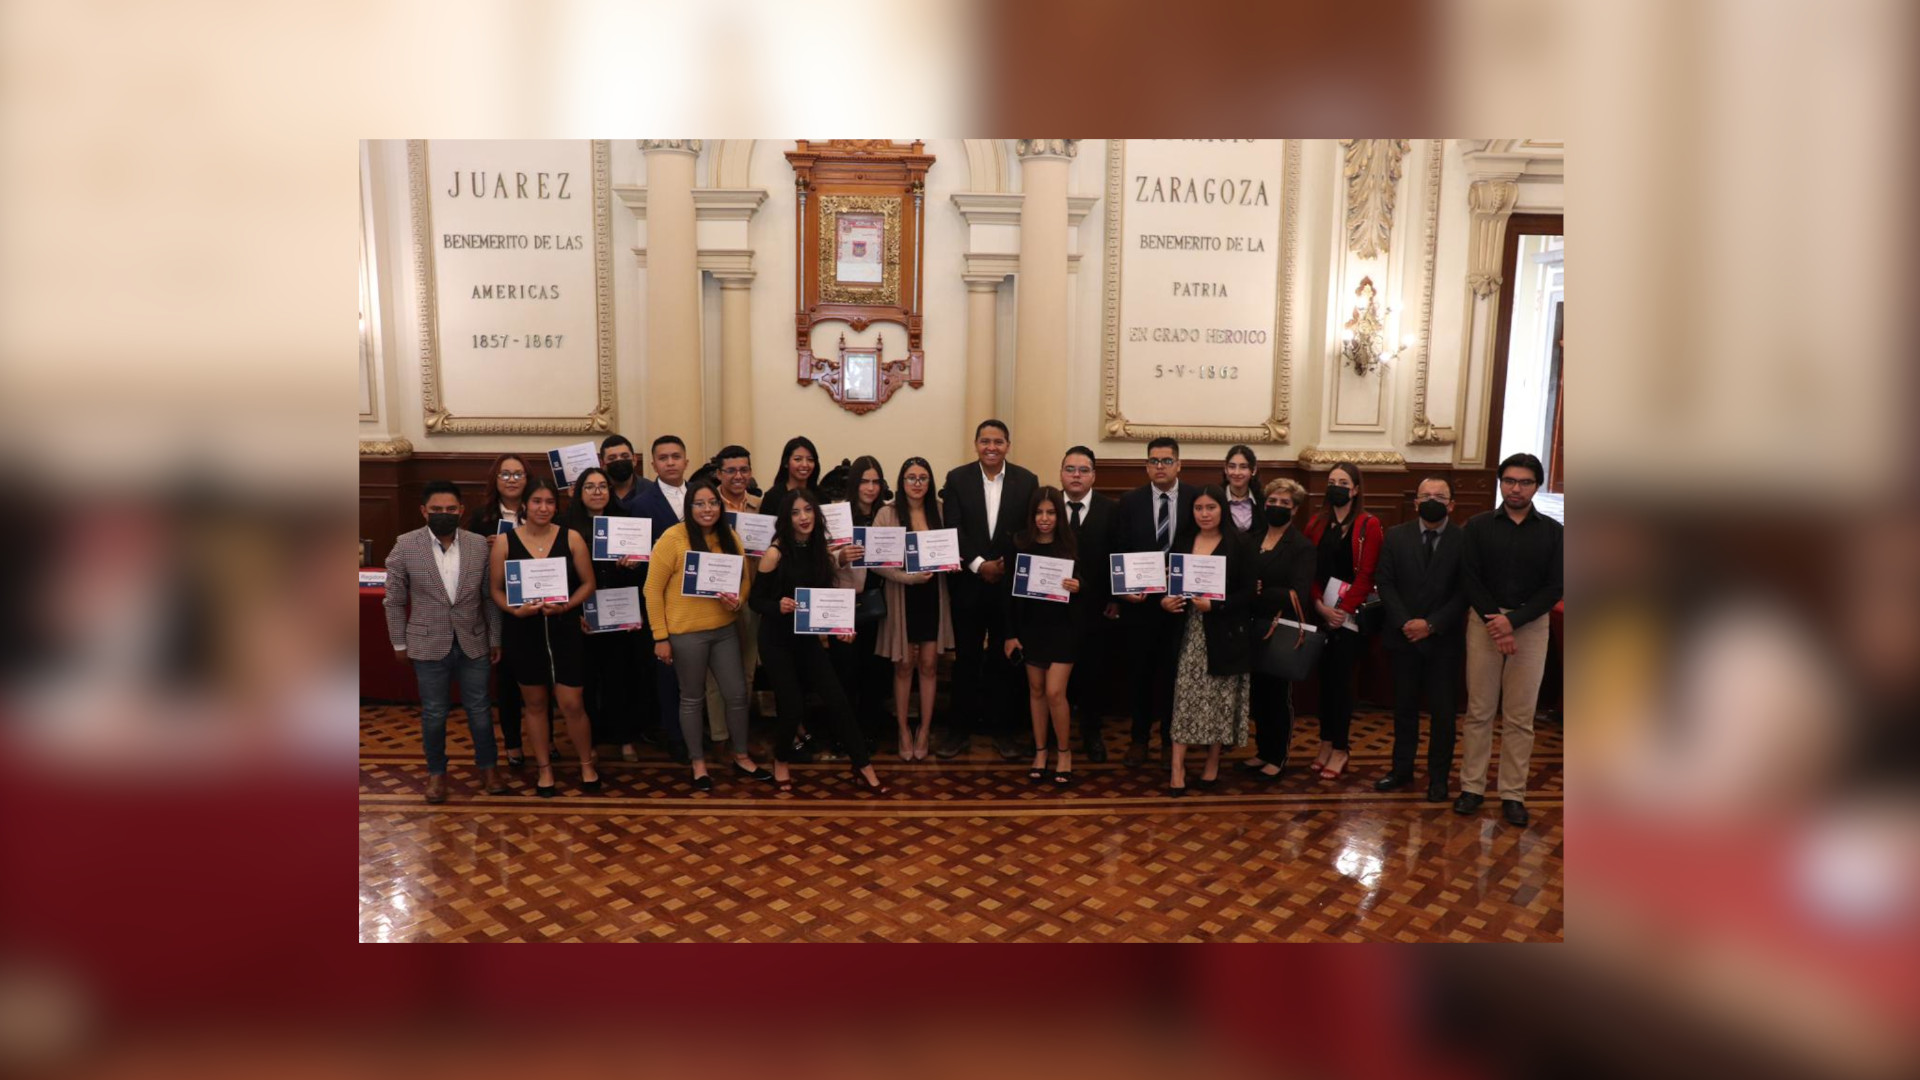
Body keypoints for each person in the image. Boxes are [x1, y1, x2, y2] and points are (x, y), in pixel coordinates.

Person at [749, 488, 889, 795]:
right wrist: (779, 605)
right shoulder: (775, 553)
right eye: (796, 512)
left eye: (808, 511)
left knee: (837, 699)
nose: (803, 518)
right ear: (787, 518)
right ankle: (781, 759)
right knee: (793, 706)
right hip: (776, 640)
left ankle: (862, 764)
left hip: (807, 639)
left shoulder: (821, 553)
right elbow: (755, 601)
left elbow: (827, 601)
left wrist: (842, 627)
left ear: (817, 514)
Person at [1457, 453, 1563, 827]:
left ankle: (1512, 793)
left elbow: (1555, 586)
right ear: (1500, 483)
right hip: (1484, 622)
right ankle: (1472, 787)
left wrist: (1513, 621)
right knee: (1480, 711)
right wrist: (1495, 622)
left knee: (1520, 716)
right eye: (1510, 481)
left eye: (1525, 482)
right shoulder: (1478, 526)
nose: (1516, 488)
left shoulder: (1554, 532)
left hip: (1530, 626)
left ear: (1537, 487)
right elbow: (1469, 578)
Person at [643, 476, 768, 792]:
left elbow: (744, 579)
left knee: (738, 694)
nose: (707, 508)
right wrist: (660, 636)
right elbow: (652, 589)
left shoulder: (729, 537)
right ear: (689, 506)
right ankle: (698, 763)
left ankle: (740, 755)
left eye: (712, 502)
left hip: (724, 629)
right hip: (686, 635)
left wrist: (738, 600)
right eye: (699, 503)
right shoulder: (673, 539)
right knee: (692, 698)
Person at [384, 480, 505, 803]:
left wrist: (495, 637)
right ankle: (436, 774)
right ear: (423, 511)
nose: (444, 514)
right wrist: (399, 643)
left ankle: (489, 768)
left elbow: (489, 598)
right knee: (434, 713)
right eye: (436, 510)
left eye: (450, 509)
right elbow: (393, 601)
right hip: (427, 644)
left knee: (480, 711)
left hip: (473, 642)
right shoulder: (405, 545)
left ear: (461, 511)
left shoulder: (479, 545)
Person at [488, 477, 600, 797]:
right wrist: (514, 611)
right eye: (537, 501)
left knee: (572, 702)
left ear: (557, 506)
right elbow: (495, 590)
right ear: (525, 505)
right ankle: (544, 770)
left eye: (550, 502)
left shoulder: (572, 538)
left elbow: (587, 584)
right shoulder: (506, 542)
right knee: (535, 704)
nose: (543, 508)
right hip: (524, 632)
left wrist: (567, 605)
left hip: (564, 629)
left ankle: (586, 764)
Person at [937, 420, 1039, 760]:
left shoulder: (1027, 481)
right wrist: (980, 565)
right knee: (965, 660)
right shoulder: (957, 478)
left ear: (1008, 445)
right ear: (976, 444)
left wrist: (1003, 566)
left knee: (1004, 660)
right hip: (969, 584)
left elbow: (1029, 530)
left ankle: (1004, 732)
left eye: (998, 441)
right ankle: (957, 733)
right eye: (985, 441)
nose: (991, 447)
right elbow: (953, 527)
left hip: (1008, 587)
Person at [1373, 476, 1469, 802]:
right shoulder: (1396, 536)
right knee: (1404, 709)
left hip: (1444, 640)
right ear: (1415, 502)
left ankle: (1438, 778)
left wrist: (1431, 625)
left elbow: (1464, 591)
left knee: (1443, 714)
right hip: (1402, 638)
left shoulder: (1464, 540)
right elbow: (1384, 583)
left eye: (1439, 496)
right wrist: (1406, 623)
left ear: (1451, 504)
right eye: (1425, 495)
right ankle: (1401, 770)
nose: (1432, 501)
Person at [1160, 486, 1254, 795]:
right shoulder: (1183, 542)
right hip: (1188, 633)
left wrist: (1216, 605)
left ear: (1221, 509)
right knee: (1183, 699)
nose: (1204, 513)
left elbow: (1248, 593)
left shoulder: (1238, 544)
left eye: (1210, 507)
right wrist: (1166, 602)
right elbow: (1168, 585)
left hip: (1223, 635)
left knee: (1219, 701)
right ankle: (1177, 769)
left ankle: (1212, 764)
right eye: (1198, 508)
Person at [1112, 436, 1198, 767]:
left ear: (1178, 464)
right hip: (1141, 604)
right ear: (1146, 465)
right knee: (1140, 674)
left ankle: (1168, 741)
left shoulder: (1195, 499)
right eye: (1153, 461)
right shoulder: (1130, 501)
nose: (1159, 467)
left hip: (1180, 604)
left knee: (1173, 675)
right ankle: (1138, 739)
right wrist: (1121, 591)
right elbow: (1118, 549)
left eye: (1165, 461)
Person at [562, 466, 653, 765]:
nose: (598, 491)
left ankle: (625, 738)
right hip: (582, 616)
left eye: (603, 486)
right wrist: (572, 614)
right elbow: (561, 576)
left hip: (621, 613)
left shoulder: (626, 522)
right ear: (579, 492)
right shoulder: (566, 528)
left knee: (620, 679)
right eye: (590, 486)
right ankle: (592, 741)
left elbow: (644, 570)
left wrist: (635, 565)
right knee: (587, 680)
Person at [1301, 461, 1384, 782]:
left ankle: (1341, 747)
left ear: (1356, 489)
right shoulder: (1317, 523)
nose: (1336, 486)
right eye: (1332, 480)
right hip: (1322, 613)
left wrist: (1342, 610)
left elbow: (1367, 574)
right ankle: (1324, 743)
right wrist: (1321, 606)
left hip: (1350, 618)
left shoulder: (1368, 525)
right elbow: (1310, 569)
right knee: (1325, 683)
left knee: (1342, 684)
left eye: (1343, 481)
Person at [1004, 486, 1085, 785]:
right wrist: (1010, 634)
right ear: (1031, 515)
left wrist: (1079, 587)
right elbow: (1008, 596)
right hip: (1030, 629)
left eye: (1051, 512)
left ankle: (1064, 752)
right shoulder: (1019, 545)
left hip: (1064, 630)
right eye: (1039, 512)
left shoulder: (1071, 545)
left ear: (1059, 515)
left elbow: (1089, 586)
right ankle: (1041, 751)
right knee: (1036, 691)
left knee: (1054, 692)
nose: (1044, 518)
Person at [873, 456, 953, 761]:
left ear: (929, 482)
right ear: (901, 482)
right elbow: (878, 564)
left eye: (922, 478)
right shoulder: (887, 513)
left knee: (930, 665)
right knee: (904, 665)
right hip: (902, 595)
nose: (917, 483)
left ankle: (925, 728)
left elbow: (950, 551)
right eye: (911, 478)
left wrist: (952, 563)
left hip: (933, 596)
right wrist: (909, 577)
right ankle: (903, 728)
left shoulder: (941, 512)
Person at [1241, 477, 1315, 781]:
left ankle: (1277, 755)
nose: (1277, 507)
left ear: (1295, 509)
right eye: (1272, 501)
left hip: (1280, 629)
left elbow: (1299, 592)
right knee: (1257, 694)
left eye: (1285, 503)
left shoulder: (1301, 546)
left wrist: (1260, 591)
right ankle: (1261, 751)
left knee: (1277, 696)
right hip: (1251, 627)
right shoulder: (1252, 538)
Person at [467, 453, 530, 766]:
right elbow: (468, 560)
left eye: (518, 474)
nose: (512, 479)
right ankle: (514, 743)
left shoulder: (540, 510)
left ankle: (544, 740)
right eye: (505, 474)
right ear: (496, 479)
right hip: (499, 604)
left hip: (536, 601)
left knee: (538, 679)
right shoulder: (482, 518)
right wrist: (485, 546)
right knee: (507, 679)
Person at [1058, 446, 1118, 763]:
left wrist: (1112, 598)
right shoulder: (1047, 506)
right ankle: (1056, 734)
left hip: (1096, 608)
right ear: (1061, 473)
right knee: (1056, 676)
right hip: (1054, 609)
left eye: (1083, 470)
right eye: (1070, 469)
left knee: (1093, 674)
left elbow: (1117, 559)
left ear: (1093, 475)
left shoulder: (1111, 510)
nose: (1076, 475)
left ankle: (1091, 733)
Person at [833, 454, 895, 755]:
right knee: (846, 671)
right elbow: (818, 558)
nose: (870, 488)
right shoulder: (837, 515)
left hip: (879, 603)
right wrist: (838, 557)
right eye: (864, 481)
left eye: (875, 482)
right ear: (855, 484)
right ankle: (845, 732)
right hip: (843, 602)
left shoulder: (890, 515)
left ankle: (870, 730)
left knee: (874, 670)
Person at [765, 435, 821, 516]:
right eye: (798, 459)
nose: (805, 464)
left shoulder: (821, 496)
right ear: (786, 463)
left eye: (810, 460)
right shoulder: (772, 498)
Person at [1221, 444, 1260, 534]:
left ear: (1253, 470)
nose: (1237, 472)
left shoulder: (1262, 500)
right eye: (1232, 466)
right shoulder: (1216, 498)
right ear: (1225, 469)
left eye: (1243, 467)